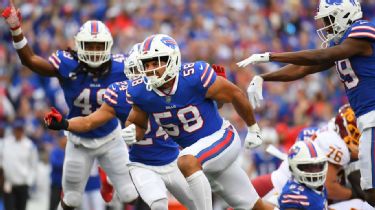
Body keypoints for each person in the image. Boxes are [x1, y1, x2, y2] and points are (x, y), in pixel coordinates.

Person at [237, 0, 375, 206]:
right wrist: (264, 77)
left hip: (372, 117)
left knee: (371, 192)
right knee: (370, 191)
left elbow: (323, 54)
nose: (326, 26)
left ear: (344, 15)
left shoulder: (359, 32)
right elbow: (303, 68)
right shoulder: (343, 44)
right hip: (367, 120)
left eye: (329, 19)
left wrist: (270, 56)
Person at [1, 2, 138, 209]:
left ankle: (107, 179)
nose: (94, 51)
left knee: (129, 195)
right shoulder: (67, 64)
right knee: (71, 200)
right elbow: (30, 61)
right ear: (78, 46)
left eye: (99, 46)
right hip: (79, 140)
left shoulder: (121, 66)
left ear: (108, 46)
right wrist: (16, 29)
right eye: (89, 46)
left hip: (111, 137)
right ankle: (100, 176)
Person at [125, 34, 271, 210]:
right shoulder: (140, 91)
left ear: (172, 60)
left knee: (186, 161)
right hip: (202, 156)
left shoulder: (193, 76)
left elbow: (234, 94)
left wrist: (253, 128)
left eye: (156, 63)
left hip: (222, 138)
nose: (151, 69)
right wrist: (131, 133)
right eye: (146, 64)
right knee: (255, 206)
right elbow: (139, 125)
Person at [44, 43, 197, 210]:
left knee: (198, 202)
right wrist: (65, 123)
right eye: (138, 71)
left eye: (150, 68)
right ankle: (110, 180)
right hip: (143, 162)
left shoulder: (174, 90)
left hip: (171, 157)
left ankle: (109, 179)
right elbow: (89, 122)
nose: (143, 76)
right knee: (146, 200)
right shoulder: (120, 95)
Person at [0, 118, 38, 210]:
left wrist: (29, 181)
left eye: (20, 129)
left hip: (22, 184)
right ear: (13, 130)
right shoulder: (5, 143)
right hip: (8, 183)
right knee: (9, 207)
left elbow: (34, 166)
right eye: (17, 129)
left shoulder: (30, 146)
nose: (18, 131)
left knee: (21, 208)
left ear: (23, 130)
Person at [278, 140, 328, 210]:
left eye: (318, 165)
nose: (315, 172)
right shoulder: (294, 195)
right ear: (293, 168)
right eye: (308, 167)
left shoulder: (319, 186)